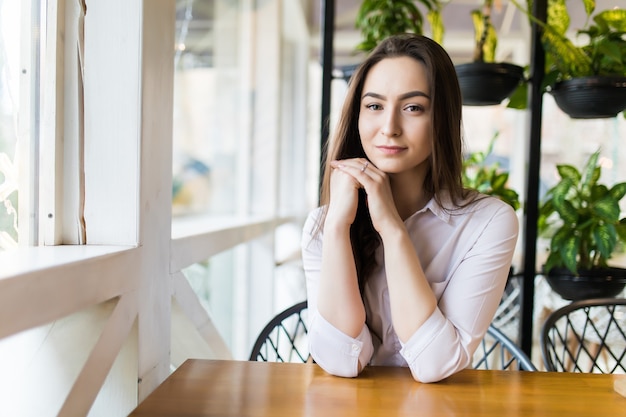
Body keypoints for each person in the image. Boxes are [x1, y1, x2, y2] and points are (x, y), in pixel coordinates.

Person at [301, 34, 519, 383]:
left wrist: (392, 228)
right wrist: (339, 228)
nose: (389, 128)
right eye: (374, 106)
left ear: (442, 118)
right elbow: (341, 361)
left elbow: (436, 365)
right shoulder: (324, 225)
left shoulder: (488, 222)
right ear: (357, 116)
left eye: (413, 107)